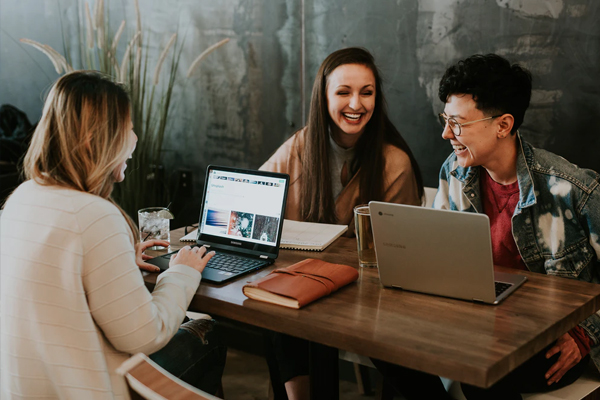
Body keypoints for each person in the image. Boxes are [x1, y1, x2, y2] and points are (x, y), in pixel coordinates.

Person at [377, 53, 600, 400]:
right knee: (383, 342)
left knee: (481, 366)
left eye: (458, 123)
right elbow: (439, 260)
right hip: (476, 323)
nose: (445, 133)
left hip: (548, 339)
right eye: (445, 119)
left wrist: (585, 333)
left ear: (503, 125)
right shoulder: (455, 171)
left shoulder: (572, 189)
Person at [0, 71, 226, 399]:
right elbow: (145, 335)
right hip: (87, 389)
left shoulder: (21, 197)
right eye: (129, 127)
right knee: (208, 332)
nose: (135, 139)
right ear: (98, 138)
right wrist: (181, 273)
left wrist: (117, 259)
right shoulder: (95, 215)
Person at [260, 47, 424, 400]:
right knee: (276, 310)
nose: (356, 103)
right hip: (304, 285)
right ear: (324, 97)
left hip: (368, 299)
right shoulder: (302, 145)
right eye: (343, 92)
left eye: (367, 92)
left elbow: (400, 254)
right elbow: (258, 196)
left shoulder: (394, 163)